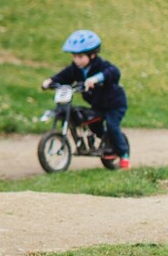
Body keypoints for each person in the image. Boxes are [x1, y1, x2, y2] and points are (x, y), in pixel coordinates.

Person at [42, 29, 129, 169]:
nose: (76, 60)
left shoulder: (101, 66)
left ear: (92, 55)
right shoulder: (76, 69)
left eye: (80, 56)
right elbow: (64, 76)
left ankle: (124, 154)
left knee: (113, 126)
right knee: (92, 124)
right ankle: (105, 143)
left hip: (114, 104)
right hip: (97, 105)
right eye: (74, 56)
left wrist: (96, 78)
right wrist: (50, 81)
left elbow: (113, 72)